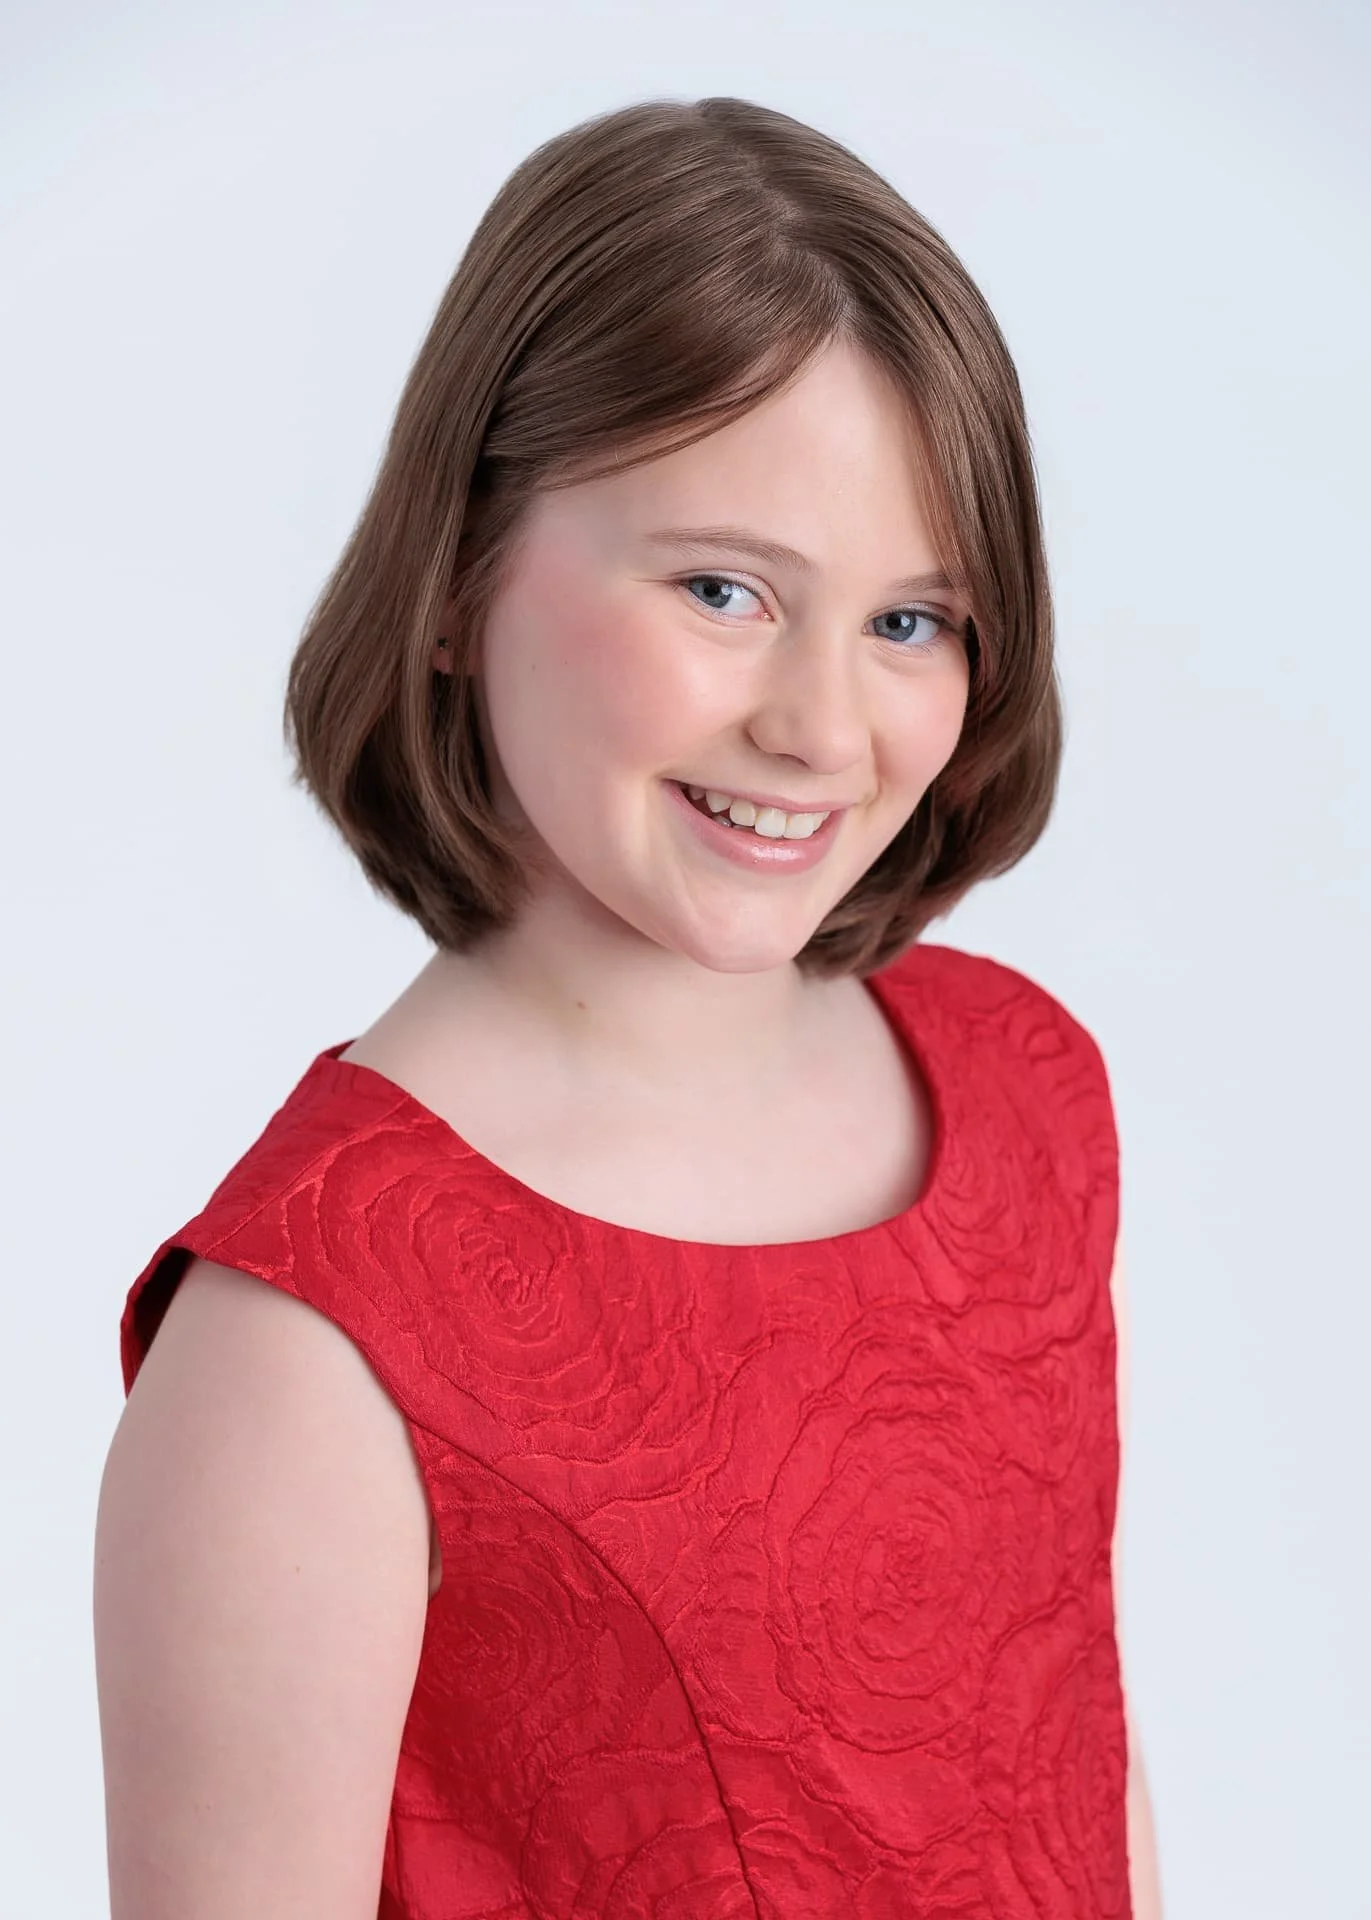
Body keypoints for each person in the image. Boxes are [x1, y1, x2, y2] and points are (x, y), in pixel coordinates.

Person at [93, 95, 1163, 1919]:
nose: (824, 728)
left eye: (913, 620)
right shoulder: (305, 1350)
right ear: (455, 578)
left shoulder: (1023, 1090)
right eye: (725, 590)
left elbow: (1080, 1766)